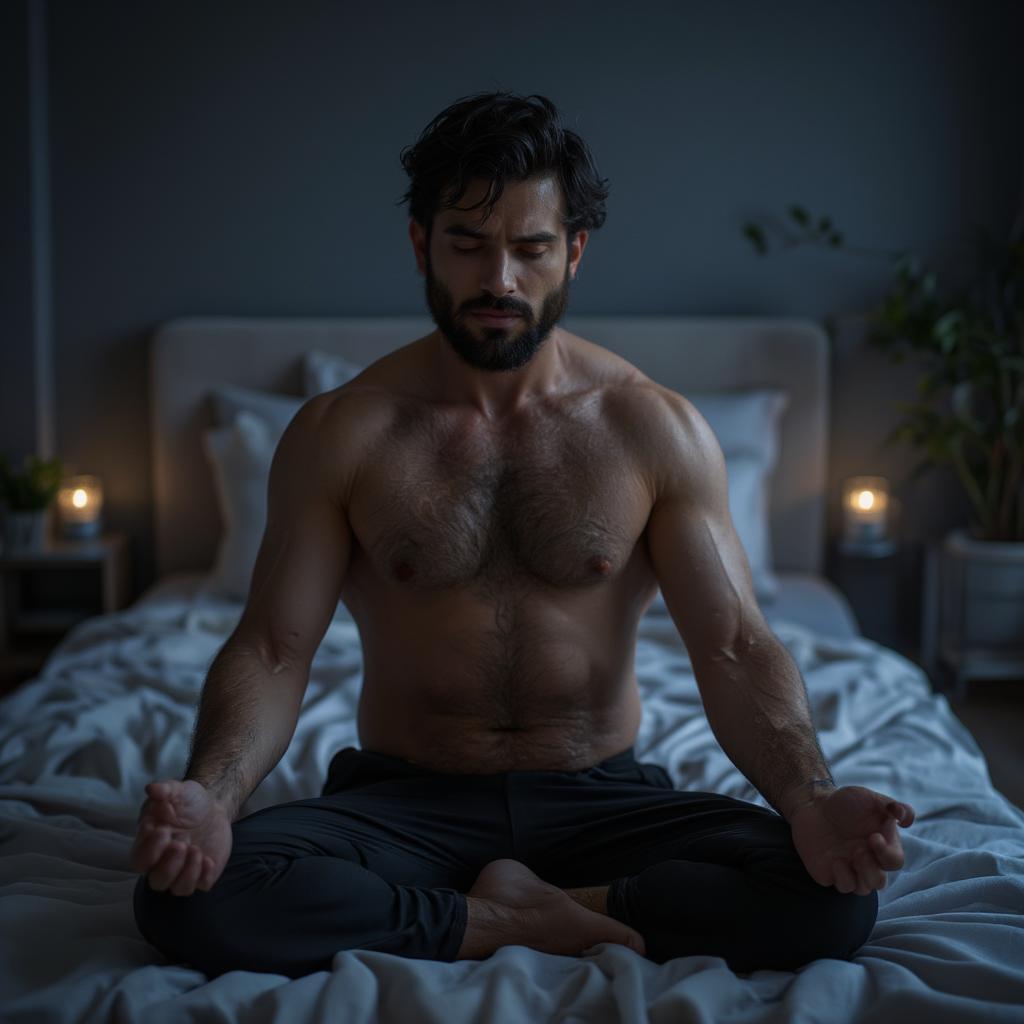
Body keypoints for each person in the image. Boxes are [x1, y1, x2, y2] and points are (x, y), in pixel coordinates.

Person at [132, 91, 915, 979]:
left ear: (573, 253)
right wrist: (211, 796)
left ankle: (547, 911)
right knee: (187, 897)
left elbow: (735, 646)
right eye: (468, 245)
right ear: (422, 244)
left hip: (602, 802)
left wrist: (810, 802)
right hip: (405, 804)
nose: (499, 278)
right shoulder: (341, 433)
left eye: (531, 248)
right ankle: (497, 918)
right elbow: (273, 649)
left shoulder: (651, 428)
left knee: (831, 895)